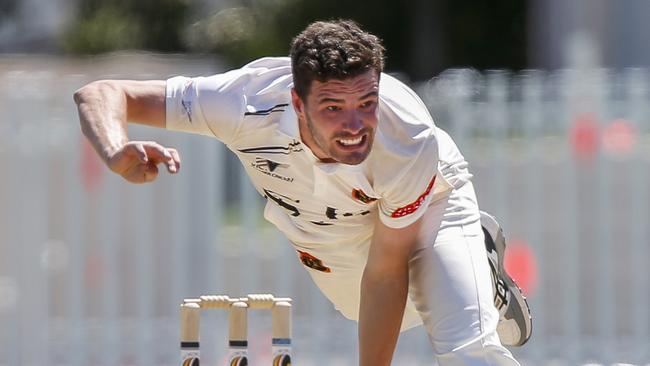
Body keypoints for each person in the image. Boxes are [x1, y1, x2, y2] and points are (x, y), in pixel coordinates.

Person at [74, 19, 531, 365]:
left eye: (366, 104)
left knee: (465, 346)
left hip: (430, 200)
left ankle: (467, 257)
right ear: (296, 102)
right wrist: (115, 151)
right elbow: (101, 92)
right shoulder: (242, 102)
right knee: (379, 311)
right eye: (333, 107)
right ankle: (480, 268)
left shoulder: (405, 137)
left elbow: (386, 271)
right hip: (326, 231)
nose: (354, 127)